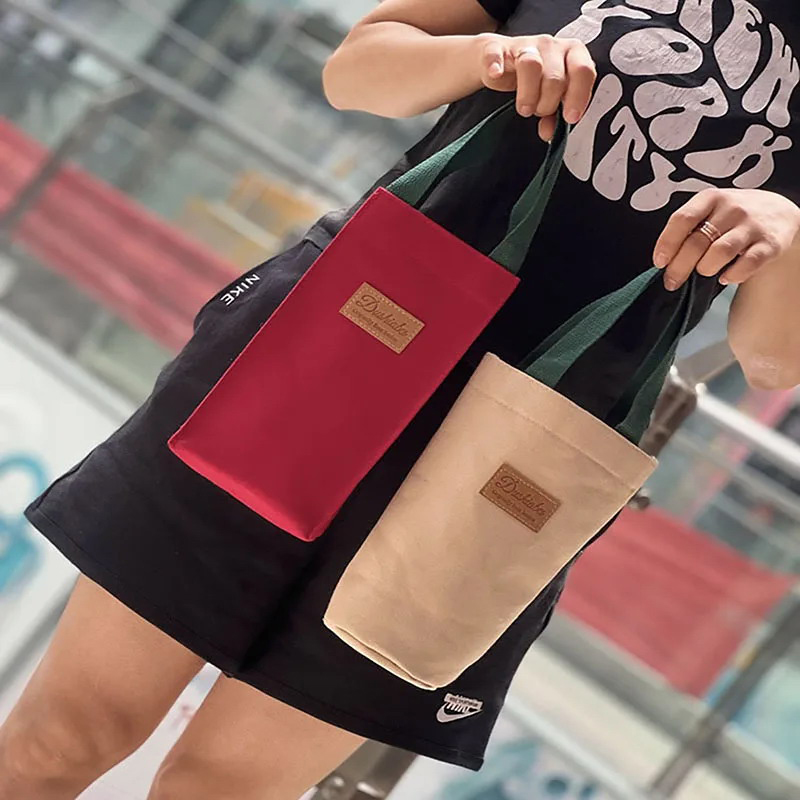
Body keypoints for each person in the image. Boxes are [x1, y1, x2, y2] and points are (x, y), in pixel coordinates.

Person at [3, 1, 800, 798]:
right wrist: (489, 58)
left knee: (220, 790)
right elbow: (356, 71)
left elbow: (774, 361)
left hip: (524, 456)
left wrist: (789, 230)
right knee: (64, 735)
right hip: (344, 335)